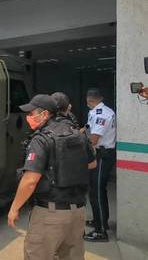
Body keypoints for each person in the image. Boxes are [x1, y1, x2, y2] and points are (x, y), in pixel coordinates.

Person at [8, 94, 96, 260]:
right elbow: (92, 164)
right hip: (77, 213)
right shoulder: (78, 134)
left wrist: (14, 208)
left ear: (45, 114)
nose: (28, 117)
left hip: (50, 214)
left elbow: (30, 181)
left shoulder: (41, 140)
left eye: (31, 113)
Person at [83, 88, 116, 242]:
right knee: (97, 191)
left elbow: (93, 139)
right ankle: (100, 221)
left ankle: (101, 231)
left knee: (96, 193)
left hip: (102, 156)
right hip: (101, 155)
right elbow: (88, 128)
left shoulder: (101, 114)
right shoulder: (99, 111)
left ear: (89, 100)